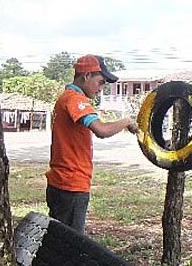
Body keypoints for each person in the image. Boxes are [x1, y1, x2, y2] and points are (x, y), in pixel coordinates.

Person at [45, 54, 137, 234]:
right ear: (86, 75)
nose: (101, 88)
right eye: (100, 82)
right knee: (70, 246)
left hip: (60, 182)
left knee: (58, 241)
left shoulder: (65, 98)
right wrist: (126, 121)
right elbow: (101, 130)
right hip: (71, 184)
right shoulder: (74, 99)